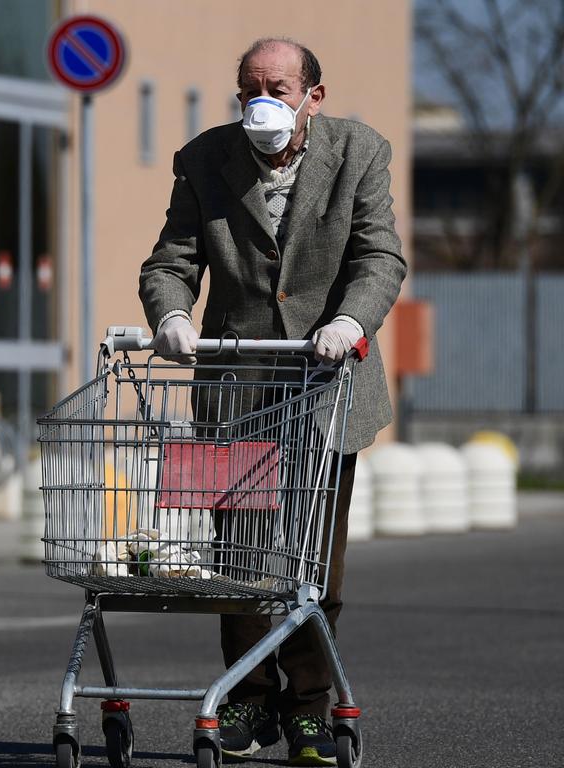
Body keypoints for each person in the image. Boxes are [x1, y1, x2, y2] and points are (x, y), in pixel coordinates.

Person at [138, 37, 406, 766]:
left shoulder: (359, 152)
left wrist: (350, 320)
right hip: (237, 384)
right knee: (239, 556)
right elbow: (173, 259)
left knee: (316, 561)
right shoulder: (204, 158)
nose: (265, 100)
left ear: (313, 95)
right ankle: (248, 698)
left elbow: (380, 254)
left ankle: (310, 708)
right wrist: (169, 316)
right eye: (250, 87)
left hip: (328, 382)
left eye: (280, 87)